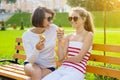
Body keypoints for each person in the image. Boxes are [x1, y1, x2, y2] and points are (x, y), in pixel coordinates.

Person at [42, 7, 95, 80]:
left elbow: (79, 58)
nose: (72, 21)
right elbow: (61, 57)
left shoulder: (88, 35)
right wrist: (60, 40)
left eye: (75, 18)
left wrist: (65, 59)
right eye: (70, 18)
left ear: (83, 19)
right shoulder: (69, 36)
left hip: (77, 71)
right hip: (62, 69)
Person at [22, 6, 60, 80]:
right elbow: (30, 60)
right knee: (36, 72)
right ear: (39, 19)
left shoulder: (53, 28)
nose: (51, 21)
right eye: (48, 19)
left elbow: (65, 38)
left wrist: (62, 37)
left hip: (49, 66)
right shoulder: (27, 35)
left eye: (51, 18)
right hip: (31, 65)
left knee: (36, 76)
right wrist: (37, 49)